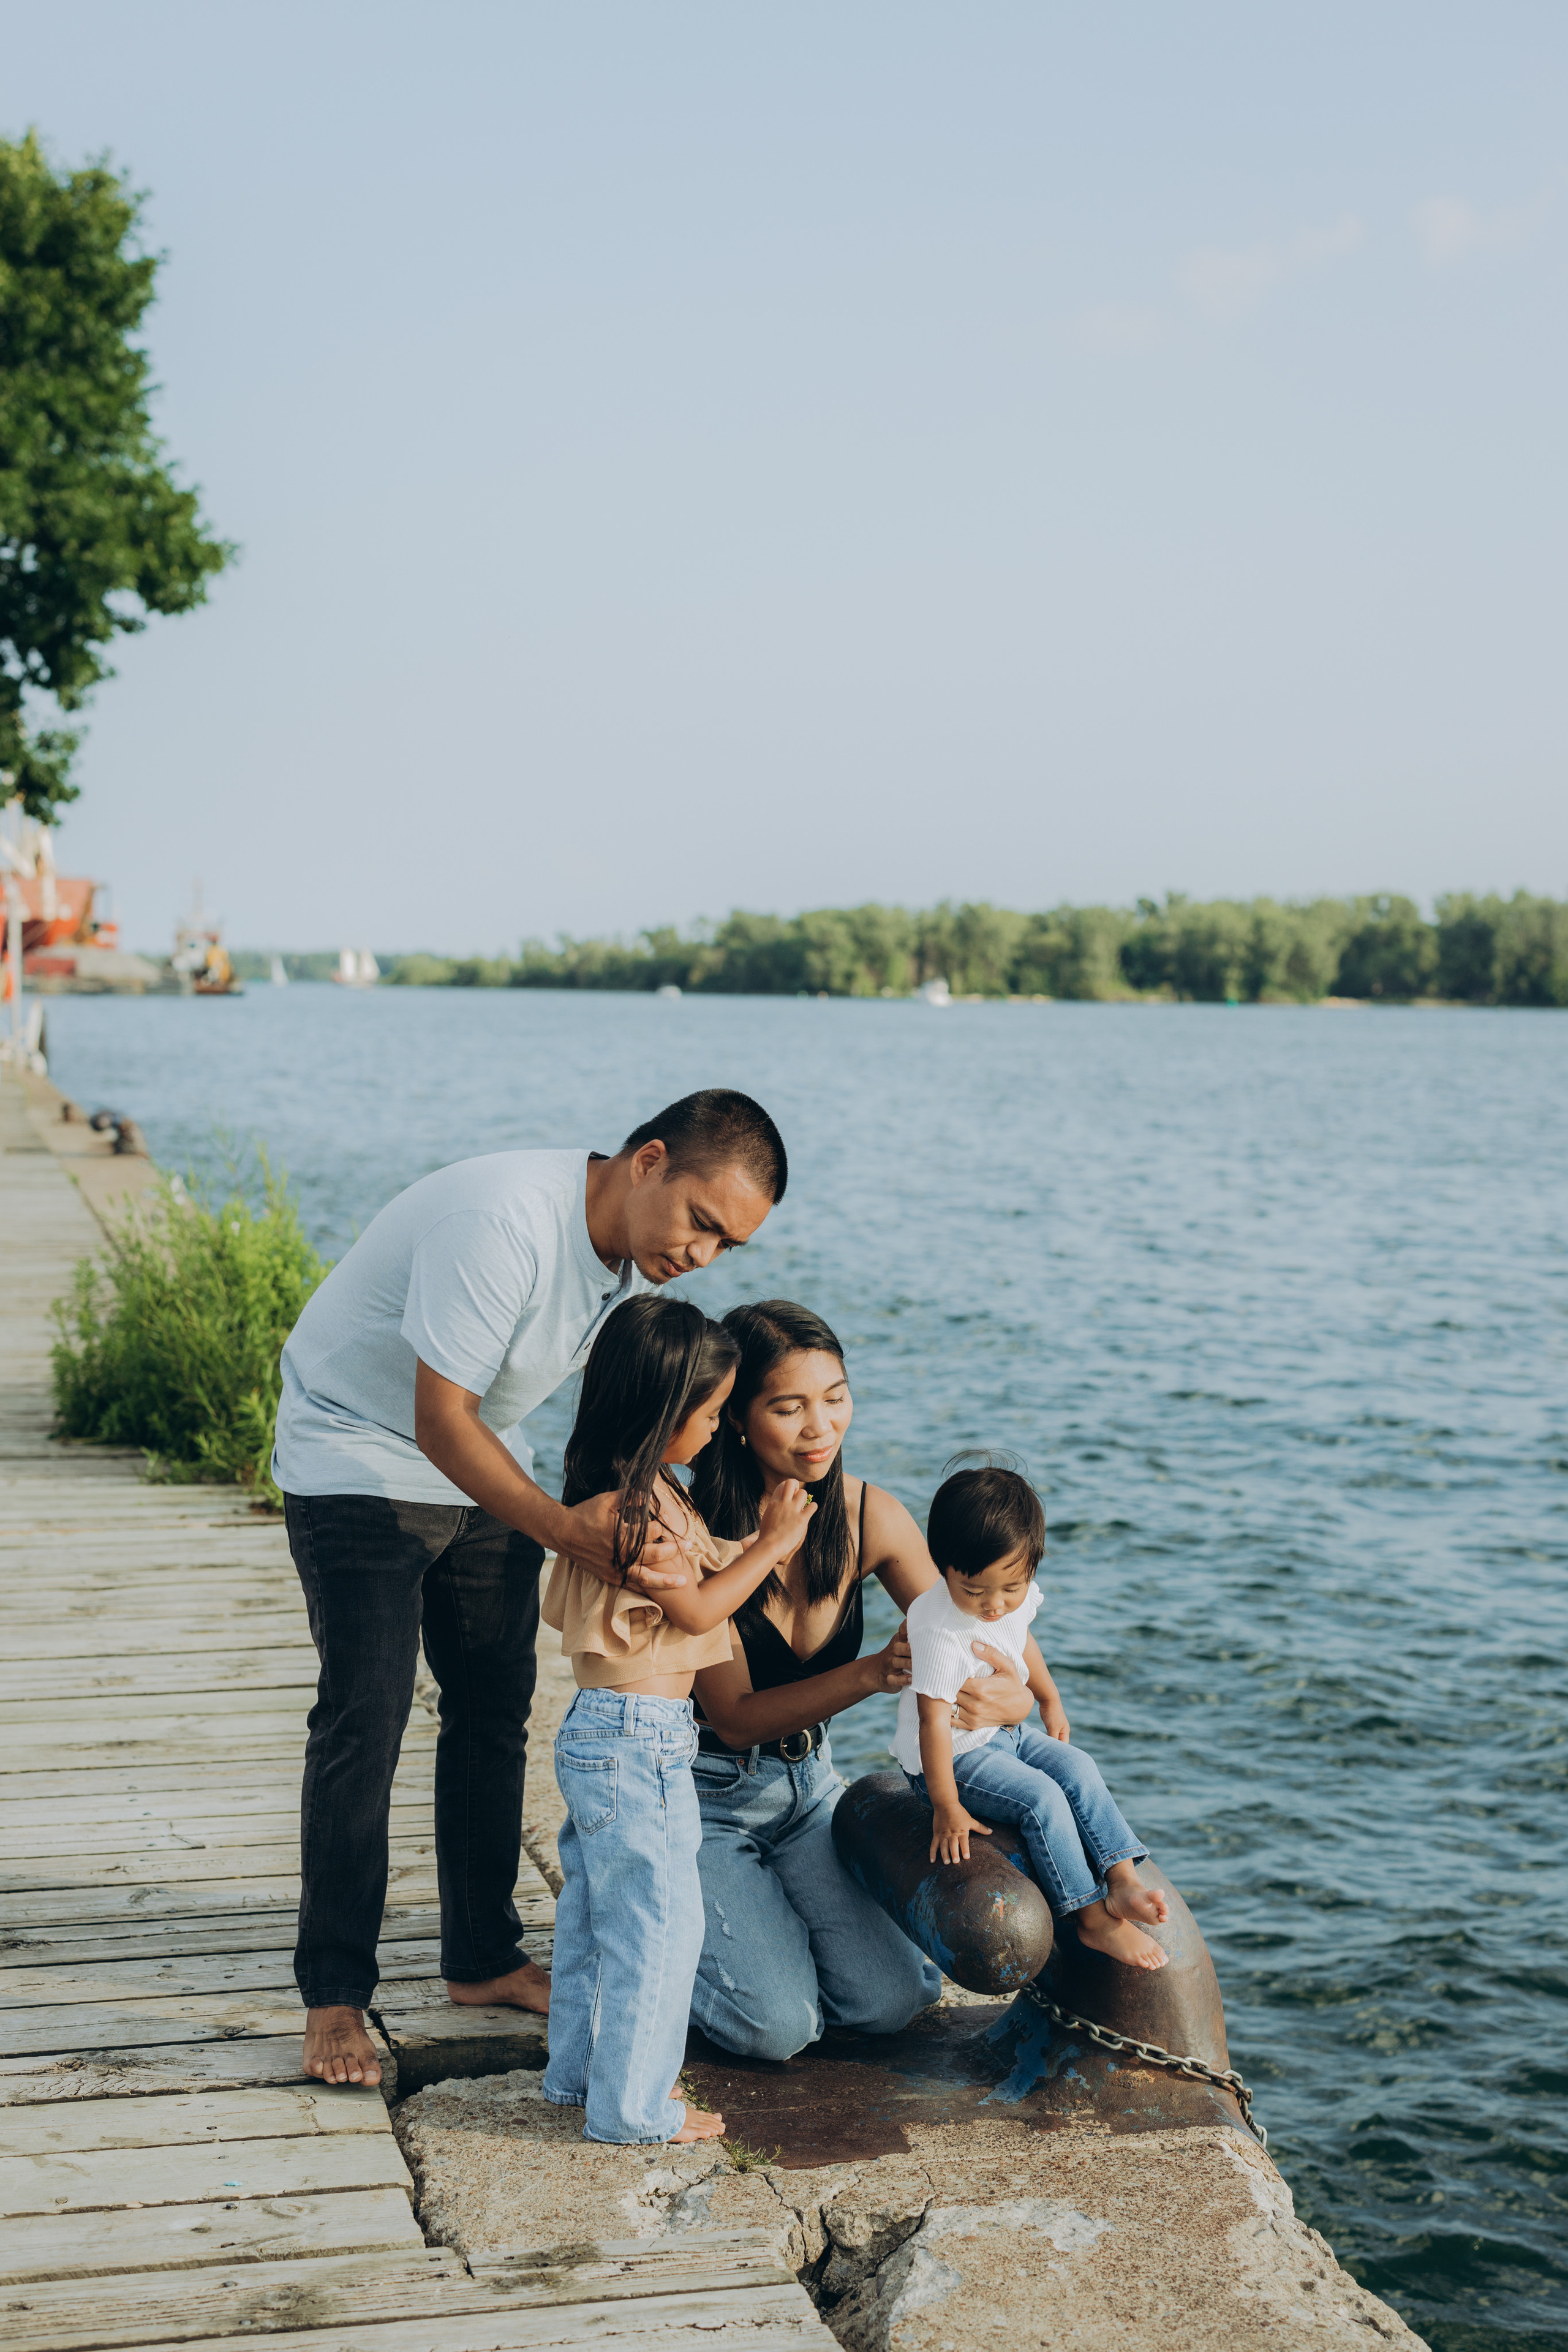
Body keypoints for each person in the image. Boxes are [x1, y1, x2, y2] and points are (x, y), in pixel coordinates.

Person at [271, 1089, 787, 2089]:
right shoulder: (504, 1221)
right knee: (363, 1717)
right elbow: (437, 1417)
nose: (701, 1257)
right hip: (358, 1447)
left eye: (729, 1247)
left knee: (493, 1704)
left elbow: (626, 1404)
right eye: (701, 1223)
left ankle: (481, 1956)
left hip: (479, 1455)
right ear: (647, 1162)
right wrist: (560, 1527)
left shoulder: (621, 1259)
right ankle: (334, 1991)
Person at [687, 1300, 1036, 2062]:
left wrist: (1014, 1698)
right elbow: (737, 1716)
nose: (821, 1427)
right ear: (738, 1418)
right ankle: (646, 1936)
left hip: (809, 1791)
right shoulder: (698, 1530)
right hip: (701, 1797)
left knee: (894, 2001)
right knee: (776, 2029)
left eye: (835, 1398)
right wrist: (875, 1673)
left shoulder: (869, 1513)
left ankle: (748, 1936)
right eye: (789, 1407)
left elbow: (985, 1626)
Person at [540, 1295, 815, 2143]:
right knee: (661, 1922)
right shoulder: (635, 1512)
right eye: (706, 1413)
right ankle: (634, 2110)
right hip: (637, 1740)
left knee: (597, 1914)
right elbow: (697, 1613)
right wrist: (771, 1548)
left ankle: (579, 2077)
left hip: (609, 1730)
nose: (717, 1428)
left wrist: (753, 1543)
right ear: (662, 1411)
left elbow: (703, 1571)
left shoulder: (645, 1491)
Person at [895, 1462, 1169, 1970]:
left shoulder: (1010, 1597)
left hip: (1005, 1733)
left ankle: (1122, 1877)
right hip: (954, 1759)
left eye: (1011, 1589)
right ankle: (1091, 1916)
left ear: (1030, 1570)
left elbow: (1020, 1642)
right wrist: (945, 1805)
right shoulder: (936, 1626)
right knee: (1042, 1798)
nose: (994, 1605)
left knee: (1079, 1766)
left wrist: (1049, 1698)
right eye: (974, 1591)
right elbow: (931, 1721)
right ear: (943, 1565)